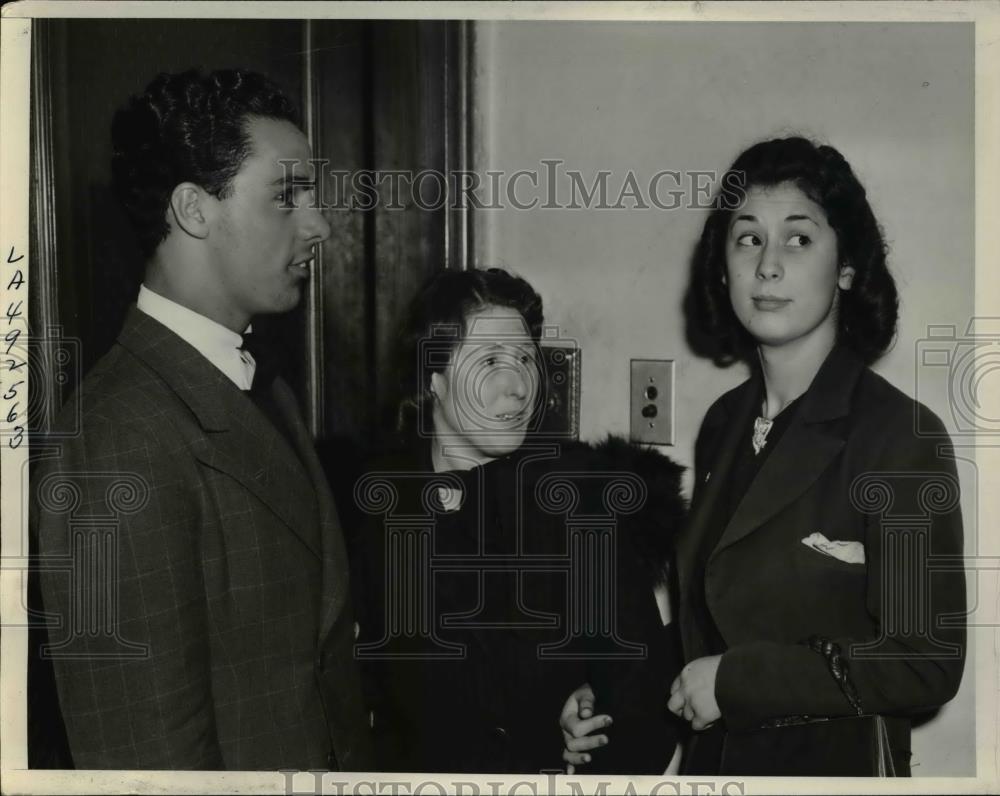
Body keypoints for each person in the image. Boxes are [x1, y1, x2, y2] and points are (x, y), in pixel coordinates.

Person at [564, 136, 966, 775]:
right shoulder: (725, 422)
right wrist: (616, 694)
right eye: (748, 238)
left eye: (799, 239)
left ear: (847, 269)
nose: (768, 265)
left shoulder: (899, 434)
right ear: (722, 270)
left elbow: (926, 660)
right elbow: (717, 619)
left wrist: (736, 682)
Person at [33, 69, 371, 770]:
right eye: (287, 196)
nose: (320, 224)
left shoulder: (261, 388)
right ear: (193, 210)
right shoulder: (116, 439)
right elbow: (144, 757)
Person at [353, 268, 685, 774]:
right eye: (488, 361)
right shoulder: (372, 511)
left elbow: (642, 695)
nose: (516, 387)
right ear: (433, 378)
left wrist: (593, 731)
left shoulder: (579, 503)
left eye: (526, 359)